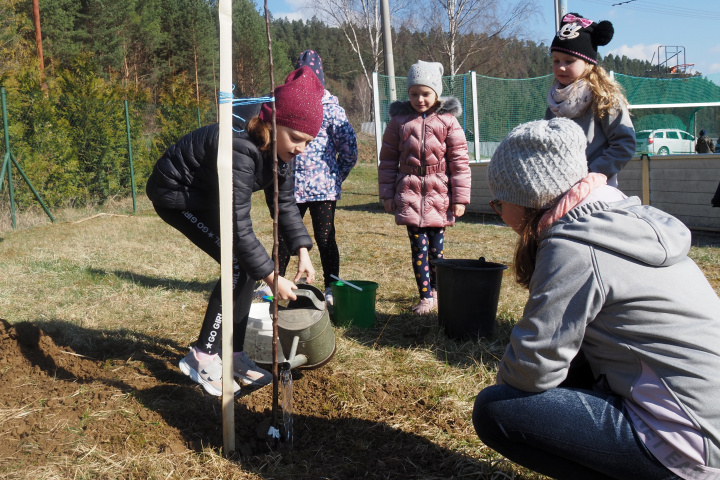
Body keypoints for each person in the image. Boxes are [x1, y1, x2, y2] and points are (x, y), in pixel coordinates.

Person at [473, 118, 720, 479]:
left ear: (528, 200)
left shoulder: (574, 246)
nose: (501, 214)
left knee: (496, 410)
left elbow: (531, 370)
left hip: (685, 443)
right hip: (709, 422)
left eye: (499, 203)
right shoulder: (626, 218)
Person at [145, 66, 324, 396]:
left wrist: (302, 250)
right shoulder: (241, 148)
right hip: (178, 194)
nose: (302, 148)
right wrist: (272, 277)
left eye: (308, 142)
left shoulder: (284, 153)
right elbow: (239, 228)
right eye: (297, 139)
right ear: (272, 123)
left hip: (205, 195)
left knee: (245, 268)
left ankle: (234, 354)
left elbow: (283, 202)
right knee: (239, 265)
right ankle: (202, 355)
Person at [378, 60, 471, 315]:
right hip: (409, 192)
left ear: (437, 93)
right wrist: (387, 193)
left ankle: (439, 291)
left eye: (426, 93)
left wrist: (460, 198)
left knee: (436, 249)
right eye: (414, 93)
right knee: (418, 248)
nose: (420, 99)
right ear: (408, 93)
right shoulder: (399, 122)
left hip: (439, 192)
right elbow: (387, 160)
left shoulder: (448, 121)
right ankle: (425, 296)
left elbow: (459, 161)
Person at [275, 50, 358, 306]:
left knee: (325, 238)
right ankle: (274, 280)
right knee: (285, 236)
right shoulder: (289, 106)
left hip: (323, 190)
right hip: (291, 187)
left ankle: (332, 286)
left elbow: (349, 150)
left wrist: (335, 177)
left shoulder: (331, 109)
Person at [545, 13, 636, 187]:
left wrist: (593, 174)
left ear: (588, 63)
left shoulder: (605, 98)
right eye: (556, 60)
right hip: (560, 187)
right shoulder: (554, 102)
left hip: (596, 190)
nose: (561, 66)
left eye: (569, 61)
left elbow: (625, 143)